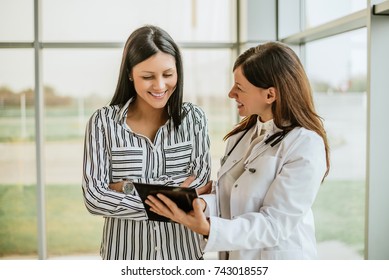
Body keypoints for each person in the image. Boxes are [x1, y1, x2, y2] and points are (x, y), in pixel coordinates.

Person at [146, 41, 330, 260]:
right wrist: (199, 204)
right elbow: (232, 197)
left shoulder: (305, 144)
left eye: (240, 88)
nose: (231, 93)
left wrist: (209, 229)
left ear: (270, 95)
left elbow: (275, 224)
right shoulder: (240, 136)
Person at [81, 25, 211, 260]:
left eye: (168, 74)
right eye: (148, 77)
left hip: (184, 255)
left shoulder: (194, 119)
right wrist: (175, 198)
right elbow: (94, 197)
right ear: (130, 73)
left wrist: (127, 187)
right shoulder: (103, 122)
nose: (160, 86)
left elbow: (201, 183)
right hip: (124, 257)